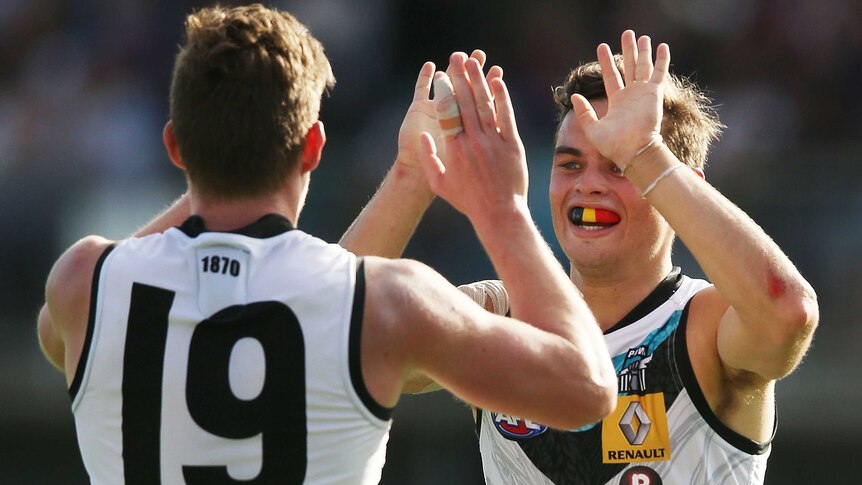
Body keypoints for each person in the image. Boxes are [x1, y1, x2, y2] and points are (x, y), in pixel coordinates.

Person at [36, 4, 618, 484]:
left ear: (175, 145)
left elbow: (319, 298)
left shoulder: (81, 283)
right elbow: (587, 390)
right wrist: (503, 208)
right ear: (313, 147)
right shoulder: (389, 301)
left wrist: (410, 176)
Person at [340, 30, 819, 484]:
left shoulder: (705, 323)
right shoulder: (503, 316)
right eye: (570, 164)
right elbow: (331, 334)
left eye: (619, 166)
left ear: (678, 184)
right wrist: (412, 174)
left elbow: (787, 312)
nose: (588, 185)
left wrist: (647, 152)